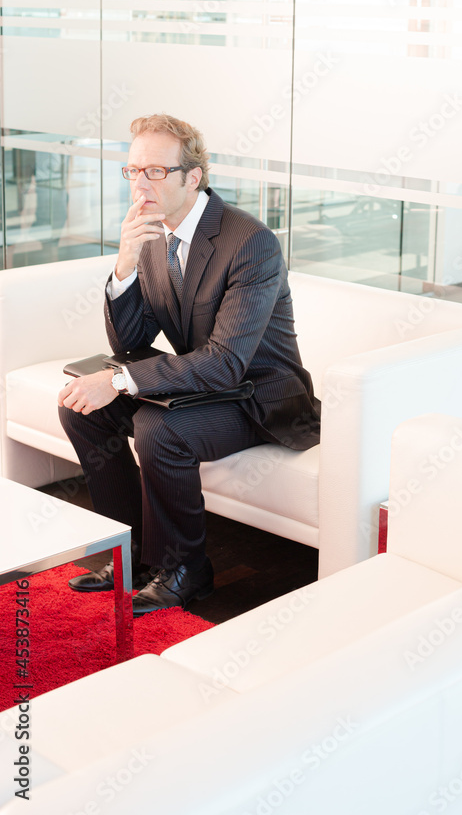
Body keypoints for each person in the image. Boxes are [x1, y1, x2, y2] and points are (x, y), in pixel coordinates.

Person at [57, 114, 320, 615]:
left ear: (191, 177)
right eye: (132, 170)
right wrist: (125, 263)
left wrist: (117, 380)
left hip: (259, 396)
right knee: (77, 406)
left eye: (155, 171)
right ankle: (127, 553)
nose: (139, 184)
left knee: (159, 427)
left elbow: (225, 363)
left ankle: (187, 569)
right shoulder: (153, 233)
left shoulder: (250, 243)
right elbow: (132, 342)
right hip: (206, 386)